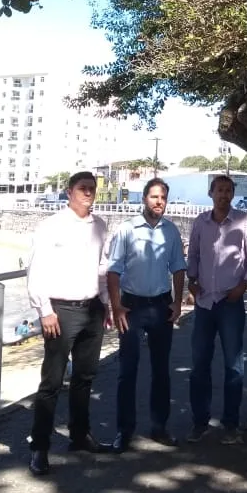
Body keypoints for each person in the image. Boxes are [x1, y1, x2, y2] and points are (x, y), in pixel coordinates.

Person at [26, 170, 112, 476]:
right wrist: (44, 310)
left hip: (92, 310)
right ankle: (40, 447)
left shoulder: (101, 225)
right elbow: (36, 270)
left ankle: (79, 435)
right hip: (60, 311)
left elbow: (102, 269)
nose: (88, 193)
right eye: (82, 188)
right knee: (51, 382)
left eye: (92, 189)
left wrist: (106, 303)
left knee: (85, 378)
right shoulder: (52, 226)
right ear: (69, 192)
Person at [107, 178, 186, 452]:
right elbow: (113, 270)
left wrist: (177, 303)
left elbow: (178, 267)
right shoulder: (127, 229)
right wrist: (116, 306)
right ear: (144, 199)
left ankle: (159, 427)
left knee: (161, 371)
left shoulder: (171, 232)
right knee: (127, 371)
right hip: (132, 307)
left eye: (163, 197)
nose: (159, 202)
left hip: (161, 306)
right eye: (154, 197)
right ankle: (124, 431)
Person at [186, 174, 247, 444]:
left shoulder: (244, 221)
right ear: (211, 193)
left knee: (234, 365)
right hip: (205, 302)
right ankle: (200, 422)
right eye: (219, 190)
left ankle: (230, 423)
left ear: (233, 194)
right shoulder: (200, 222)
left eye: (228, 190)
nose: (223, 194)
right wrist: (191, 283)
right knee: (199, 365)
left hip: (231, 302)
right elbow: (193, 254)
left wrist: (244, 286)